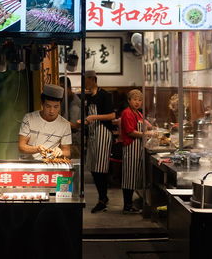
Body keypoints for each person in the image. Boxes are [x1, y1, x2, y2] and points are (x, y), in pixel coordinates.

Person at [81, 70, 115, 213]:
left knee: (100, 168)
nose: (85, 84)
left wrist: (93, 118)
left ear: (92, 79)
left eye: (86, 81)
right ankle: (103, 197)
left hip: (103, 134)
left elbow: (112, 115)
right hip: (93, 135)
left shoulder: (104, 95)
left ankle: (102, 199)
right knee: (93, 168)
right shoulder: (89, 97)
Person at [120, 89, 155, 213]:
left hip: (137, 149)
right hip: (130, 149)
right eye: (134, 99)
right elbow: (130, 132)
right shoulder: (127, 113)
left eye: (140, 100)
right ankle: (127, 206)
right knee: (129, 177)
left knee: (134, 177)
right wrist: (147, 134)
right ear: (129, 100)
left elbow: (148, 124)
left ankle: (132, 204)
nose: (137, 102)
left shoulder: (138, 113)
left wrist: (154, 128)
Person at [18, 84, 72, 160]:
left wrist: (61, 152)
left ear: (60, 105)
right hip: (28, 164)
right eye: (48, 106)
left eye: (56, 107)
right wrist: (37, 149)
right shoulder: (29, 118)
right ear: (42, 104)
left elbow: (67, 152)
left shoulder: (65, 125)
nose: (52, 111)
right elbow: (21, 146)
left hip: (50, 165)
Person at [58, 76, 81, 157]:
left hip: (74, 141)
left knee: (72, 165)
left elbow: (75, 125)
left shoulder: (75, 102)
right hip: (68, 139)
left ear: (68, 88)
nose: (60, 90)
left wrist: (57, 120)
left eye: (62, 87)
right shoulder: (65, 98)